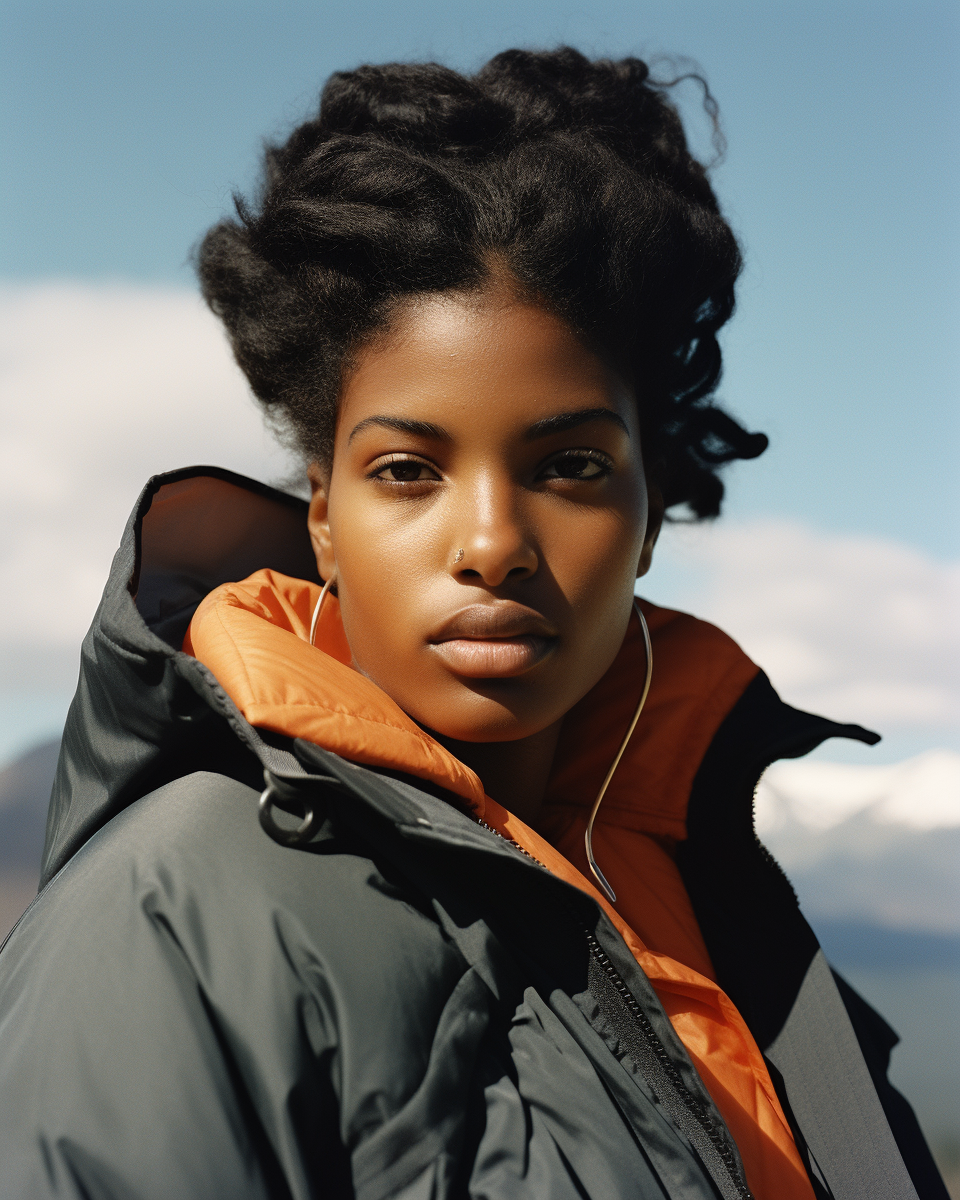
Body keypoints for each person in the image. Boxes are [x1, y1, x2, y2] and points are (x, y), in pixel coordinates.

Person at [0, 47, 947, 1200]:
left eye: (571, 466)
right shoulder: (172, 916)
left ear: (649, 514)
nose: (492, 540)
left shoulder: (731, 917)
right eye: (406, 469)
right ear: (325, 521)